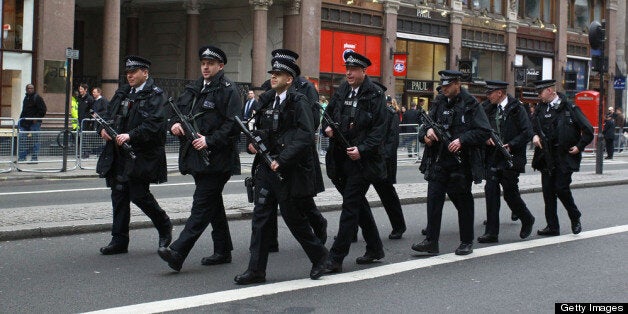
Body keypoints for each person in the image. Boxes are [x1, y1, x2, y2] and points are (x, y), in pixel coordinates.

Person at [234, 57, 328, 284]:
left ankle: (321, 257)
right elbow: (261, 130)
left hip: (288, 169)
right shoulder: (267, 101)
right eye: (272, 73)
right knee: (261, 218)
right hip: (267, 168)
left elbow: (305, 135)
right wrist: (254, 143)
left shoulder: (299, 101)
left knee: (293, 218)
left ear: (289, 79)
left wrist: (283, 160)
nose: (273, 77)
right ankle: (256, 270)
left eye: (278, 74)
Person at [157, 46, 241, 271]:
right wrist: (173, 124)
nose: (205, 67)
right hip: (197, 158)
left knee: (201, 205)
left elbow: (233, 124)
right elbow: (176, 112)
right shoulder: (194, 88)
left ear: (220, 66)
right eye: (203, 62)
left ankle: (178, 251)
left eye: (210, 63)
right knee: (213, 205)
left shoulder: (228, 89)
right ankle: (223, 250)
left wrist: (209, 140)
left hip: (217, 158)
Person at [95, 55, 172, 255]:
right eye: (127, 73)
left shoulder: (155, 95)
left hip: (141, 155)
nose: (129, 76)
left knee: (139, 195)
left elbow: (155, 125)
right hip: (119, 153)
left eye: (133, 72)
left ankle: (164, 224)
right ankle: (119, 240)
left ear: (145, 73)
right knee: (119, 195)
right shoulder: (123, 92)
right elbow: (107, 116)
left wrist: (130, 135)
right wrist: (102, 129)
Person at [411, 70, 491, 256]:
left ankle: (466, 241)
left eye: (447, 86)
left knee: (463, 202)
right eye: (443, 86)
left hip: (461, 163)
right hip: (439, 160)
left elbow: (484, 131)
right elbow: (427, 124)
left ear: (457, 84)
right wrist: (427, 133)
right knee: (433, 200)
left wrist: (462, 140)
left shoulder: (470, 104)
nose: (444, 89)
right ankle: (431, 241)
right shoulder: (439, 101)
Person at [323, 51, 387, 273]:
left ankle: (335, 258)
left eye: (353, 69)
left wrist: (362, 149)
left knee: (350, 206)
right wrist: (327, 128)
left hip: (362, 161)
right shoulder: (342, 90)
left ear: (363, 71)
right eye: (346, 69)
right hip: (340, 159)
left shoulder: (375, 94)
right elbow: (327, 116)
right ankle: (375, 248)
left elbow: (380, 130)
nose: (348, 73)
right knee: (358, 204)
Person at [261, 49, 327, 252]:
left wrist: (288, 141)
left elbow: (310, 122)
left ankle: (318, 227)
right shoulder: (270, 89)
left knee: (301, 199)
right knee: (266, 202)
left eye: (279, 67)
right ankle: (268, 242)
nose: (274, 74)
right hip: (273, 154)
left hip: (296, 153)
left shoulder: (305, 89)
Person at [531, 79, 593, 236]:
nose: (539, 96)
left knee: (561, 188)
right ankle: (552, 226)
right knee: (548, 192)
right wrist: (534, 136)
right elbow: (531, 127)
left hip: (564, 156)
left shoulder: (569, 107)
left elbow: (588, 129)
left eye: (541, 92)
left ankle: (574, 216)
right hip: (546, 156)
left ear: (550, 91)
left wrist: (579, 146)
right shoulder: (540, 109)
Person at [478, 80, 535, 244]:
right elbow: (480, 128)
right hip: (494, 156)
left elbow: (527, 132)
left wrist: (512, 145)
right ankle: (491, 232)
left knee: (510, 193)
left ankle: (527, 218)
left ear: (500, 93)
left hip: (511, 157)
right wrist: (486, 138)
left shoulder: (517, 108)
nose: (487, 96)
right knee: (491, 190)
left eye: (490, 93)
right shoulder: (487, 108)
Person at [18, 84, 47, 162]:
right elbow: (24, 111)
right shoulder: (26, 98)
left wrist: (36, 118)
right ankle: (22, 157)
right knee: (22, 140)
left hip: (34, 123)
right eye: (28, 88)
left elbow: (43, 110)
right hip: (24, 123)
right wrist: (20, 120)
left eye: (32, 88)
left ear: (34, 89)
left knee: (35, 140)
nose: (30, 89)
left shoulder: (37, 98)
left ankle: (34, 158)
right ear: (26, 89)